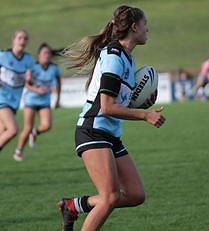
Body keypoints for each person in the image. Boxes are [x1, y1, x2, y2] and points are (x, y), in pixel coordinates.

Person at [57, 5, 165, 230]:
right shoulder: (114, 56)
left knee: (135, 194)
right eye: (146, 25)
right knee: (109, 197)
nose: (148, 30)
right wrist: (145, 115)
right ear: (134, 27)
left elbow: (119, 102)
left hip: (110, 135)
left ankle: (73, 206)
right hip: (93, 130)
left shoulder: (128, 59)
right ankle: (73, 208)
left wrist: (141, 103)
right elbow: (107, 107)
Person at [0, 29, 36, 174]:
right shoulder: (2, 55)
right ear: (14, 40)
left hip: (14, 102)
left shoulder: (29, 60)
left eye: (25, 38)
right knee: (13, 129)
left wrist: (30, 79)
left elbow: (31, 80)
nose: (22, 41)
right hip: (0, 98)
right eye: (20, 38)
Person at [13, 43, 61, 161]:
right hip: (31, 100)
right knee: (27, 128)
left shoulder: (54, 68)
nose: (47, 55)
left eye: (49, 53)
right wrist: (36, 90)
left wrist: (57, 99)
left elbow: (58, 83)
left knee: (47, 126)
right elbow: (26, 84)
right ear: (38, 55)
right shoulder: (32, 67)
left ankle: (35, 132)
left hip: (45, 101)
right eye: (44, 53)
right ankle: (18, 151)